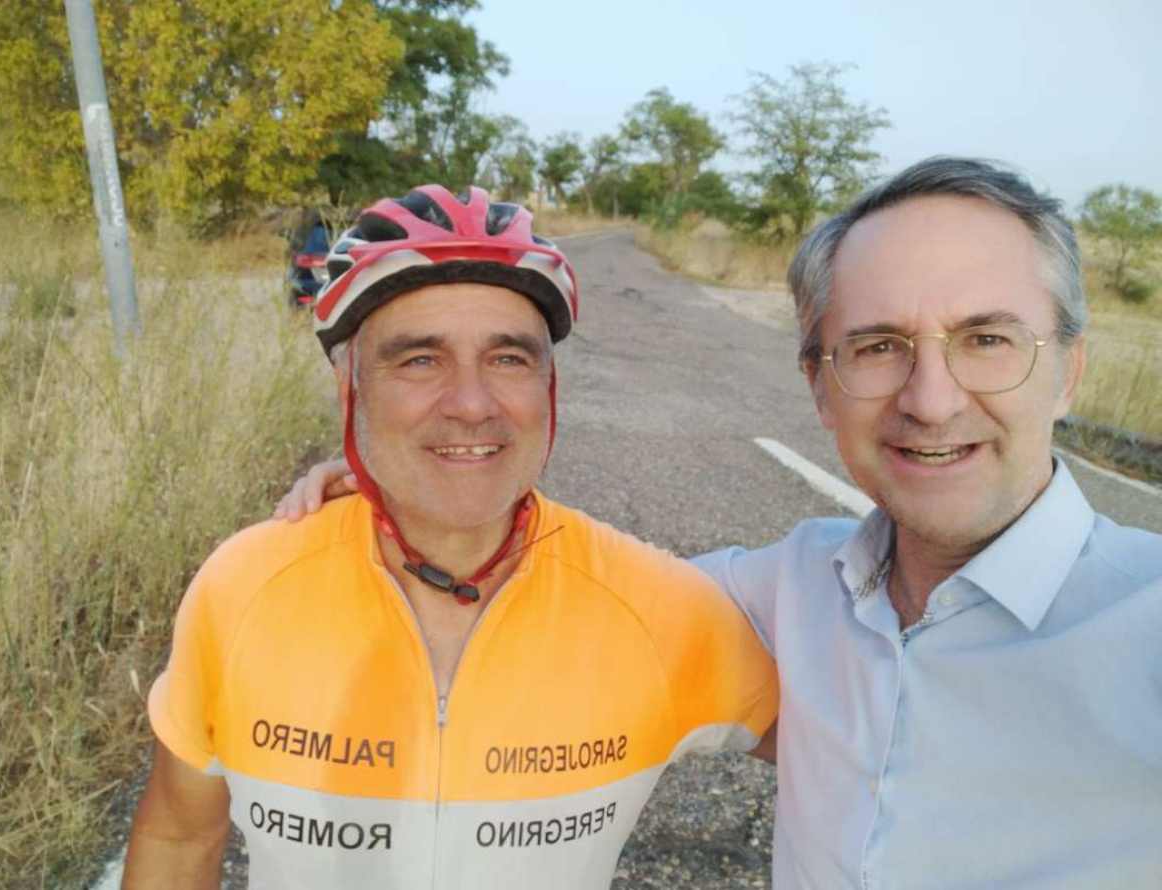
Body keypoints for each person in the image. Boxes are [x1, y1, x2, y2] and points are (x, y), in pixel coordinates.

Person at [284, 158, 1162, 889]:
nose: (931, 402)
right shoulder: (794, 588)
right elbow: (564, 587)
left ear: (1070, 371)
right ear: (820, 384)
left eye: (988, 341)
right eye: (878, 347)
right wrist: (401, 483)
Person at [122, 185, 779, 890]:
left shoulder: (661, 608)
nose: (471, 404)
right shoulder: (244, 585)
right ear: (352, 394)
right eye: (419, 361)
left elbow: (864, 757)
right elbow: (178, 837)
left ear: (548, 390)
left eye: (507, 359)